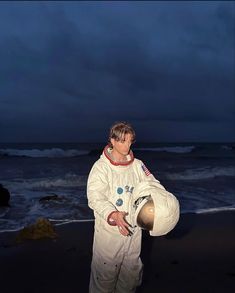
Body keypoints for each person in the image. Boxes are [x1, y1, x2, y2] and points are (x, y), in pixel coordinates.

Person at [87, 121, 179, 293]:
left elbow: (152, 184)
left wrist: (164, 203)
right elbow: (94, 197)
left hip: (133, 235)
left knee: (130, 280)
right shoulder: (101, 168)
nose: (127, 145)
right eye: (122, 141)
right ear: (112, 141)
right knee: (103, 282)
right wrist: (112, 213)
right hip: (109, 236)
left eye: (130, 141)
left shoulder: (138, 165)